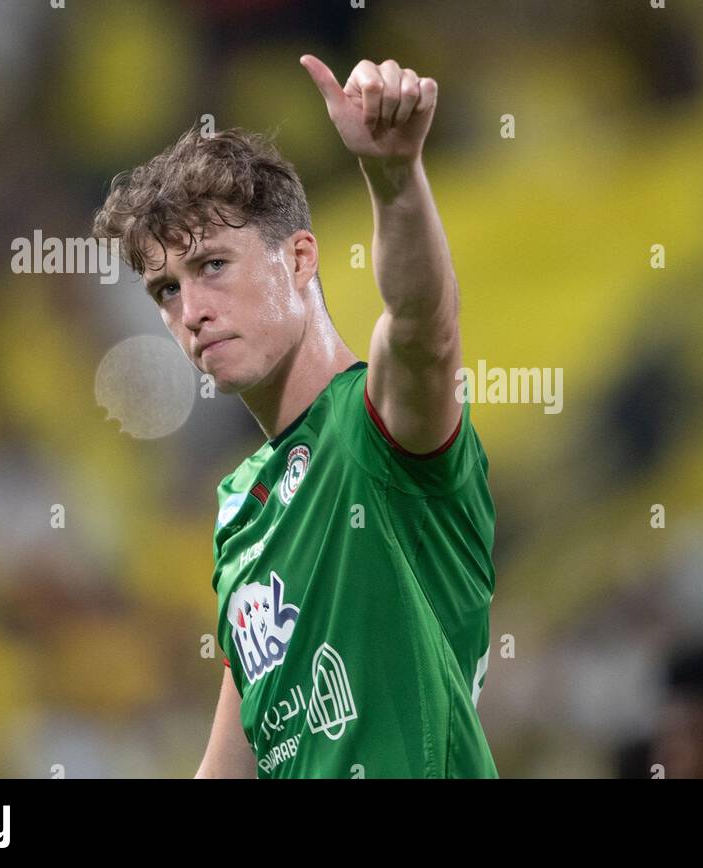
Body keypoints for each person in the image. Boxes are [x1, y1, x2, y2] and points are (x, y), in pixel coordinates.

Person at [92, 56, 496, 778]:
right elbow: (234, 761)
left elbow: (423, 328)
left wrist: (395, 178)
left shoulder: (377, 428)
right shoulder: (239, 513)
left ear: (300, 258)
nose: (191, 312)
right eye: (165, 290)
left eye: (212, 265)